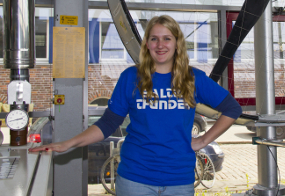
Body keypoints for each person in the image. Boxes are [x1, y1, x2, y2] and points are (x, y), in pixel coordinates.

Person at [30, 15, 242, 196]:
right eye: (154, 39)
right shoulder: (131, 77)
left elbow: (232, 109)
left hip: (179, 180)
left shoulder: (193, 78)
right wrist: (69, 143)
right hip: (135, 180)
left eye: (167, 39)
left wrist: (204, 139)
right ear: (147, 44)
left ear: (177, 43)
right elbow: (108, 123)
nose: (160, 45)